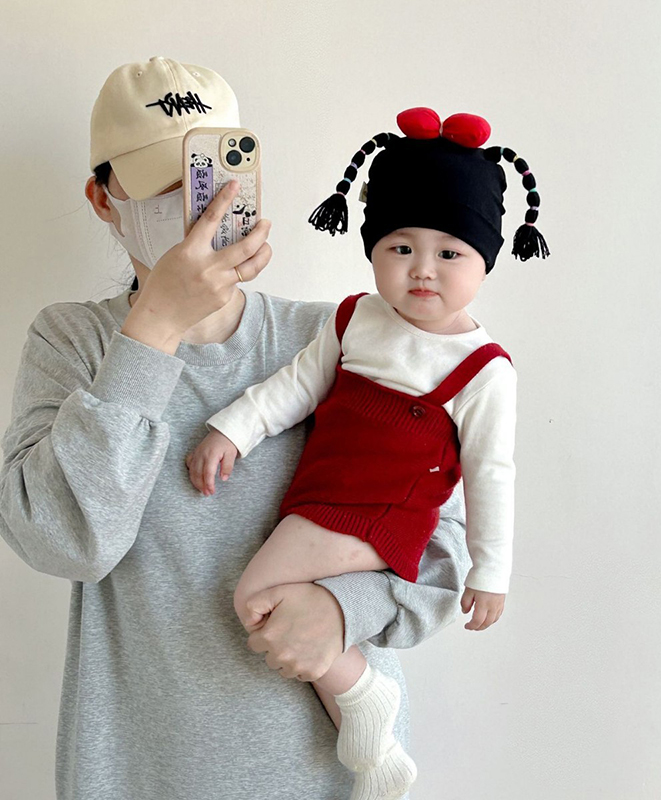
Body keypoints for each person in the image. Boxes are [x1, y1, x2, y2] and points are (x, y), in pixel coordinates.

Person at [0, 58, 472, 800]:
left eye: (211, 172)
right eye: (164, 182)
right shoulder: (73, 344)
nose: (198, 205)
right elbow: (67, 542)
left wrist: (344, 611)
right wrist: (154, 327)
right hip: (138, 772)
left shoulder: (339, 338)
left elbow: (444, 545)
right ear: (103, 199)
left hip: (330, 774)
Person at [185, 106, 550, 799]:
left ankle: (365, 698)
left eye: (450, 253)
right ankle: (370, 742)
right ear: (372, 247)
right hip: (325, 497)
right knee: (287, 612)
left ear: (486, 260)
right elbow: (296, 386)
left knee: (255, 596)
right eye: (400, 247)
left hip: (382, 514)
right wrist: (233, 429)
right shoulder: (355, 317)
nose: (423, 270)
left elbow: (490, 475)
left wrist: (491, 571)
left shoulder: (484, 369)